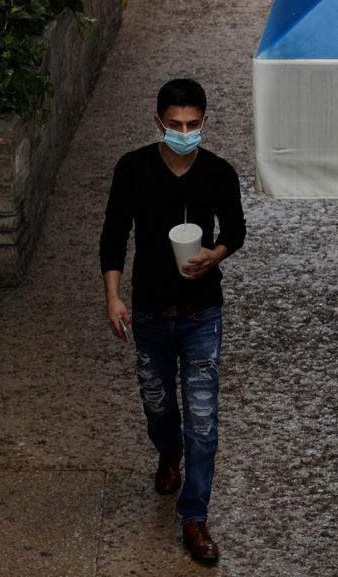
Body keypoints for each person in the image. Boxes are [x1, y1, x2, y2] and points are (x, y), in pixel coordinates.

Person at [99, 78, 246, 563]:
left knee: (202, 419)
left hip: (202, 313)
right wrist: (113, 297)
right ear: (158, 122)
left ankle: (194, 518)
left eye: (193, 124)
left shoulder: (219, 173)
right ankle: (167, 451)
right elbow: (114, 235)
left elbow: (237, 229)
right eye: (176, 124)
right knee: (158, 404)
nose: (185, 132)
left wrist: (215, 254)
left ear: (205, 122)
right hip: (148, 313)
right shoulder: (133, 169)